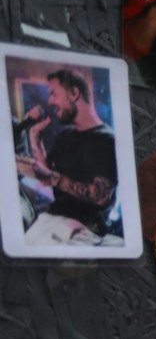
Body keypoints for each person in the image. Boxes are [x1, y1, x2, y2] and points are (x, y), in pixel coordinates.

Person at [14, 67, 119, 246]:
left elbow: (101, 195)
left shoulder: (107, 139)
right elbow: (47, 175)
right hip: (54, 220)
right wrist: (35, 137)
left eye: (53, 94)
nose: (50, 101)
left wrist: (52, 178)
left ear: (74, 93)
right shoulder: (66, 135)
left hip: (85, 229)